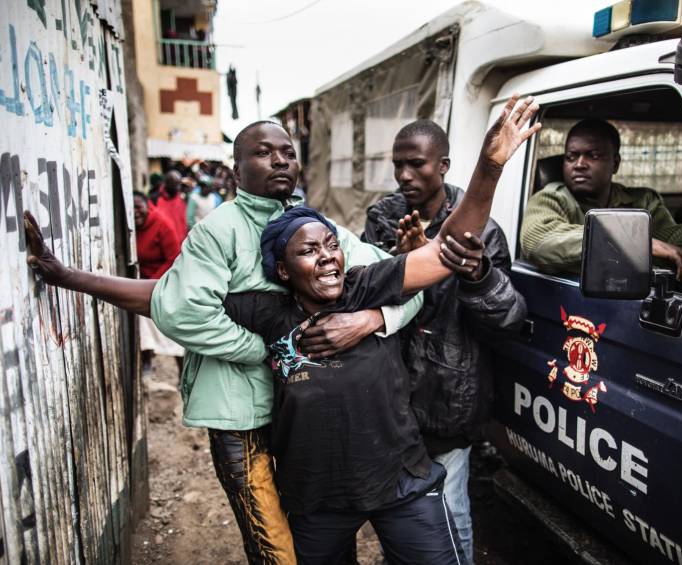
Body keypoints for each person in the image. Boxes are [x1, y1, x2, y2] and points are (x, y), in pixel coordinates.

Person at [25, 120, 425, 564]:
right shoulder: (219, 230)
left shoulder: (317, 228)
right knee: (275, 547)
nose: (279, 161)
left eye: (288, 153)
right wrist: (266, 350)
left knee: (316, 530)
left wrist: (372, 319)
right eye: (263, 153)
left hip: (304, 417)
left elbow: (408, 285)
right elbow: (180, 308)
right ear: (236, 171)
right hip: (242, 416)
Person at [217, 93, 540, 563]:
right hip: (320, 490)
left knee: (447, 526)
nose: (327, 257)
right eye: (308, 251)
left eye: (332, 245)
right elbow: (176, 299)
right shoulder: (270, 310)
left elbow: (447, 255)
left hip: (417, 446)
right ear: (282, 271)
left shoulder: (365, 283)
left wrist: (489, 169)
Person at [362, 120, 528, 563]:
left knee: (449, 515)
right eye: (398, 164)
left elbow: (508, 321)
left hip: (448, 398)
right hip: (391, 398)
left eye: (416, 164)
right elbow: (360, 295)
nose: (404, 175)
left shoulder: (482, 231)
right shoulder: (383, 219)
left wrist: (477, 275)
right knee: (399, 514)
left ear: (443, 165)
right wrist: (402, 265)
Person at [520, 119, 682, 278]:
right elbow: (539, 242)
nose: (579, 164)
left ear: (615, 164)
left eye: (593, 156)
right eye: (571, 157)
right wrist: (634, 243)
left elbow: (673, 243)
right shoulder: (551, 198)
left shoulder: (643, 201)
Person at [133, 192, 185, 372]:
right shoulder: (131, 228)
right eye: (131, 208)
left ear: (148, 206)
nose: (135, 211)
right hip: (142, 282)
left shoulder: (162, 224)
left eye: (138, 206)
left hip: (166, 280)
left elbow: (174, 258)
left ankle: (181, 371)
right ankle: (147, 361)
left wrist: (153, 281)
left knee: (172, 328)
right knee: (143, 324)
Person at [155, 170, 188, 241]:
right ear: (166, 184)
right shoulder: (156, 199)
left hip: (180, 241)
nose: (177, 188)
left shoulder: (182, 199)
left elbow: (184, 220)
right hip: (164, 240)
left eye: (178, 184)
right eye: (174, 185)